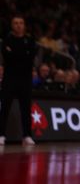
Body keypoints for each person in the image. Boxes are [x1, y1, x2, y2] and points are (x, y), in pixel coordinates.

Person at [0, 16, 37, 146]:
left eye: (21, 23)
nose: (18, 25)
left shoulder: (30, 40)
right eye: (15, 23)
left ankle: (27, 135)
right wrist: (21, 55)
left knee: (26, 108)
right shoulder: (7, 40)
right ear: (12, 25)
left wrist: (16, 54)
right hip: (9, 78)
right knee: (4, 107)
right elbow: (8, 57)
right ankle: (1, 135)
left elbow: (30, 58)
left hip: (25, 79)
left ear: (24, 25)